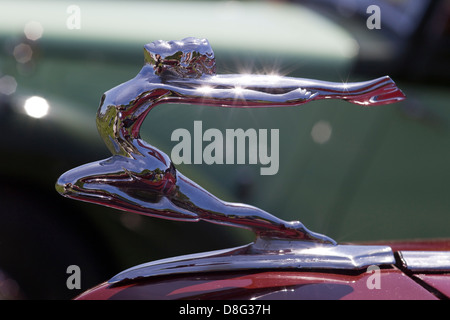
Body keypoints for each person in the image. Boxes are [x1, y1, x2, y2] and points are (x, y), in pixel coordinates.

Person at [56, 37, 405, 244]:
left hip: (142, 163)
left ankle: (282, 232)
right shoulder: (147, 82)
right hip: (135, 161)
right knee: (221, 210)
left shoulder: (157, 86)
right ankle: (289, 230)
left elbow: (237, 91)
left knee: (68, 183)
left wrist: (329, 92)